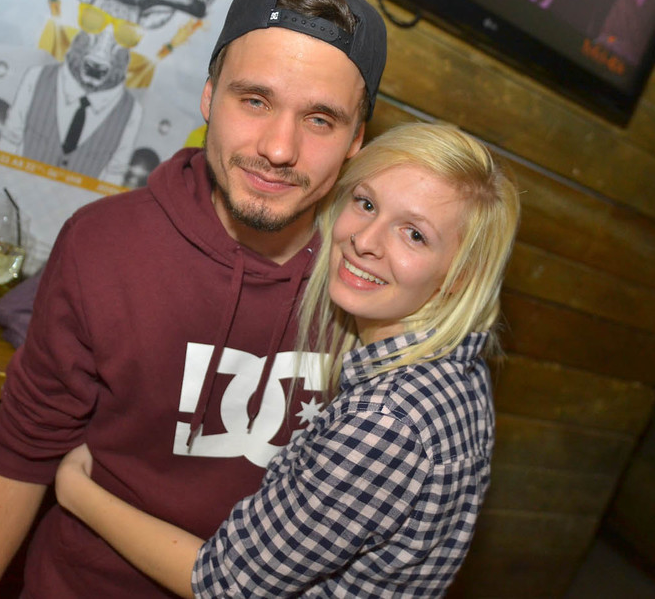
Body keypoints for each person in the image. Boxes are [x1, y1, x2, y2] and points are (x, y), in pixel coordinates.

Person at [0, 0, 387, 599]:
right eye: (254, 100)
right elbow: (25, 450)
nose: (278, 148)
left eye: (320, 119)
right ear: (209, 97)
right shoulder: (103, 243)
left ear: (356, 140)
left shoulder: (376, 289)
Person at [54, 122, 522, 597]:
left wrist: (76, 491)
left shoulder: (386, 422)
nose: (365, 240)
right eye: (366, 204)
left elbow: (223, 584)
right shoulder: (459, 368)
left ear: (460, 276)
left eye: (414, 235)